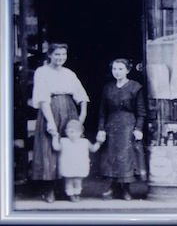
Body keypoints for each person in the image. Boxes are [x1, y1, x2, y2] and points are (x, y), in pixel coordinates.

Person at [31, 43, 90, 203]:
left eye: (63, 54)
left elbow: (81, 95)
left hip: (69, 111)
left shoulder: (69, 73)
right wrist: (50, 122)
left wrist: (81, 116)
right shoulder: (42, 72)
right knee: (49, 148)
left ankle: (68, 190)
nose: (60, 58)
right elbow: (42, 98)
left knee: (69, 150)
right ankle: (49, 189)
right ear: (50, 55)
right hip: (50, 111)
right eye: (57, 54)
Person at [97, 58, 146, 200]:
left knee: (126, 157)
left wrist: (138, 128)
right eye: (114, 69)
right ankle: (113, 187)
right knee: (111, 156)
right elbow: (102, 112)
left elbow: (141, 111)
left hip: (128, 125)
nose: (117, 72)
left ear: (128, 70)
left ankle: (126, 189)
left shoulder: (135, 87)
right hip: (111, 125)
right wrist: (101, 129)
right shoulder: (108, 87)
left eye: (120, 69)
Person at [50, 119, 102, 202]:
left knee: (78, 180)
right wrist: (54, 137)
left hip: (79, 165)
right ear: (66, 132)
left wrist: (99, 143)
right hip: (68, 165)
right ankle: (70, 195)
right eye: (69, 132)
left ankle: (77, 193)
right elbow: (56, 147)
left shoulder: (84, 142)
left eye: (74, 132)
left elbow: (93, 149)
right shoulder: (64, 141)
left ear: (80, 132)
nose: (72, 134)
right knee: (69, 180)